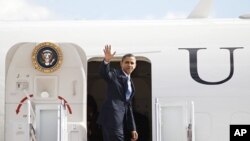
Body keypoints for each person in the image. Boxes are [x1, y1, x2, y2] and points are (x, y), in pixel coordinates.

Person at [97, 45, 139, 141]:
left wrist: (133, 128)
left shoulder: (130, 82)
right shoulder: (115, 74)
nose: (129, 65)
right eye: (127, 62)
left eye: (132, 63)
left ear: (135, 65)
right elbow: (104, 74)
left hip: (121, 120)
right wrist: (106, 61)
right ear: (121, 63)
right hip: (111, 118)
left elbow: (128, 106)